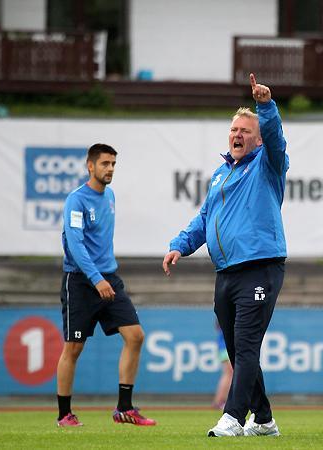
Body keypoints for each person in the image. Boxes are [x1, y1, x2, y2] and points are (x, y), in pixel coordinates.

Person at [162, 73, 287, 437]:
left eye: (245, 131)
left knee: (245, 347)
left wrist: (266, 106)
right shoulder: (221, 174)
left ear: (258, 139)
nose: (237, 134)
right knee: (236, 350)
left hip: (259, 268)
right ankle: (263, 420)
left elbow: (276, 138)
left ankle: (232, 416)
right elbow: (205, 219)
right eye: (234, 129)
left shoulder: (268, 164)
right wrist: (180, 244)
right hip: (226, 273)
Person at [56, 143, 156, 427]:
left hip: (108, 278)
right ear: (90, 166)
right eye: (105, 163)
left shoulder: (109, 196)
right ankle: (64, 414)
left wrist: (104, 278)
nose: (110, 168)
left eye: (113, 164)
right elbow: (75, 244)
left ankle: (124, 409)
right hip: (81, 281)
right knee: (73, 348)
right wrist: (95, 278)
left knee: (135, 336)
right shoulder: (76, 200)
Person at [212, 320, 233, 410]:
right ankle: (219, 401)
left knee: (229, 373)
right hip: (226, 346)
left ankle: (220, 401)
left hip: (225, 346)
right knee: (229, 373)